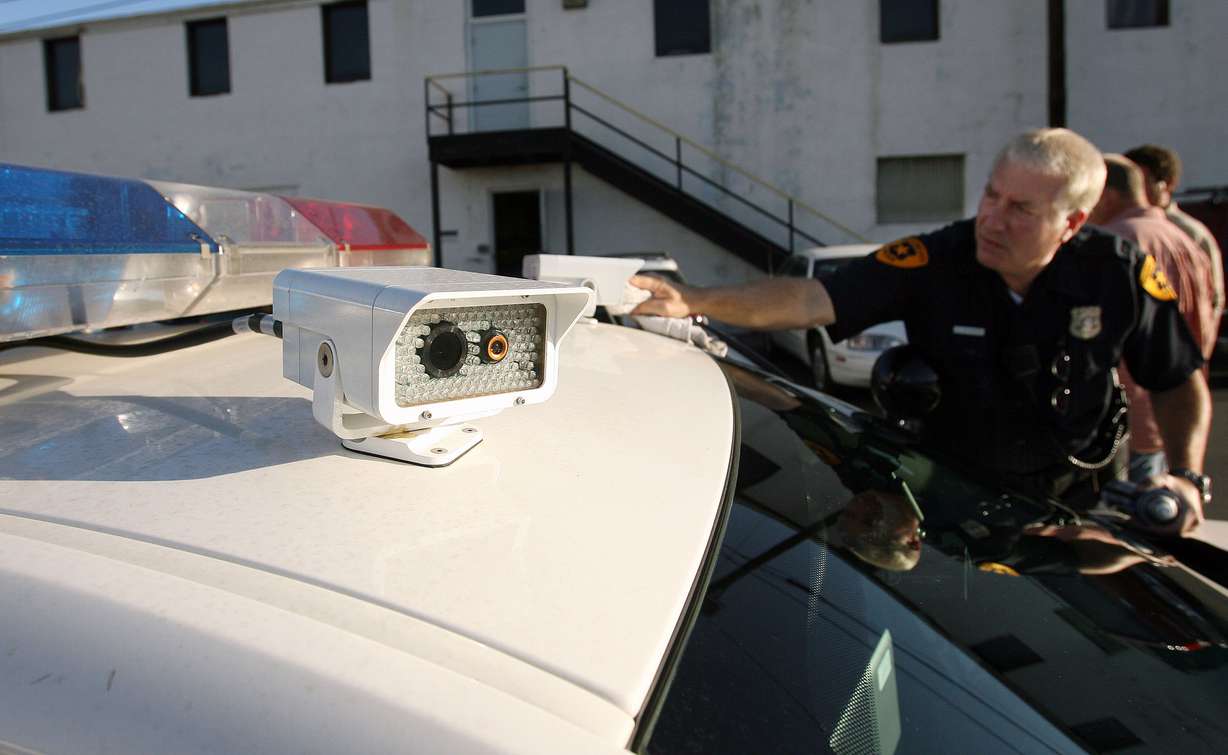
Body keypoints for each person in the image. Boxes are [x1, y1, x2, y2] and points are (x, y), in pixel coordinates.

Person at [631, 128, 1212, 535]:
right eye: (991, 193)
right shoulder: (940, 258)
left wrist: (1185, 476)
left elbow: (1177, 379)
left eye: (1021, 210)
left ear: (1073, 221)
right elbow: (813, 297)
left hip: (1071, 510)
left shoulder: (1117, 272)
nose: (992, 218)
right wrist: (693, 300)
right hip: (948, 495)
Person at [1088, 154, 1219, 484]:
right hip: (1174, 411)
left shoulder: (1116, 244)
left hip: (1130, 421)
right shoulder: (1188, 236)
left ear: (1106, 196)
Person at [1124, 144, 1225, 320]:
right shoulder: (1118, 225)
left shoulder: (1192, 233)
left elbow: (1213, 297)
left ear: (1167, 184)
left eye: (1142, 181)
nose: (1133, 189)